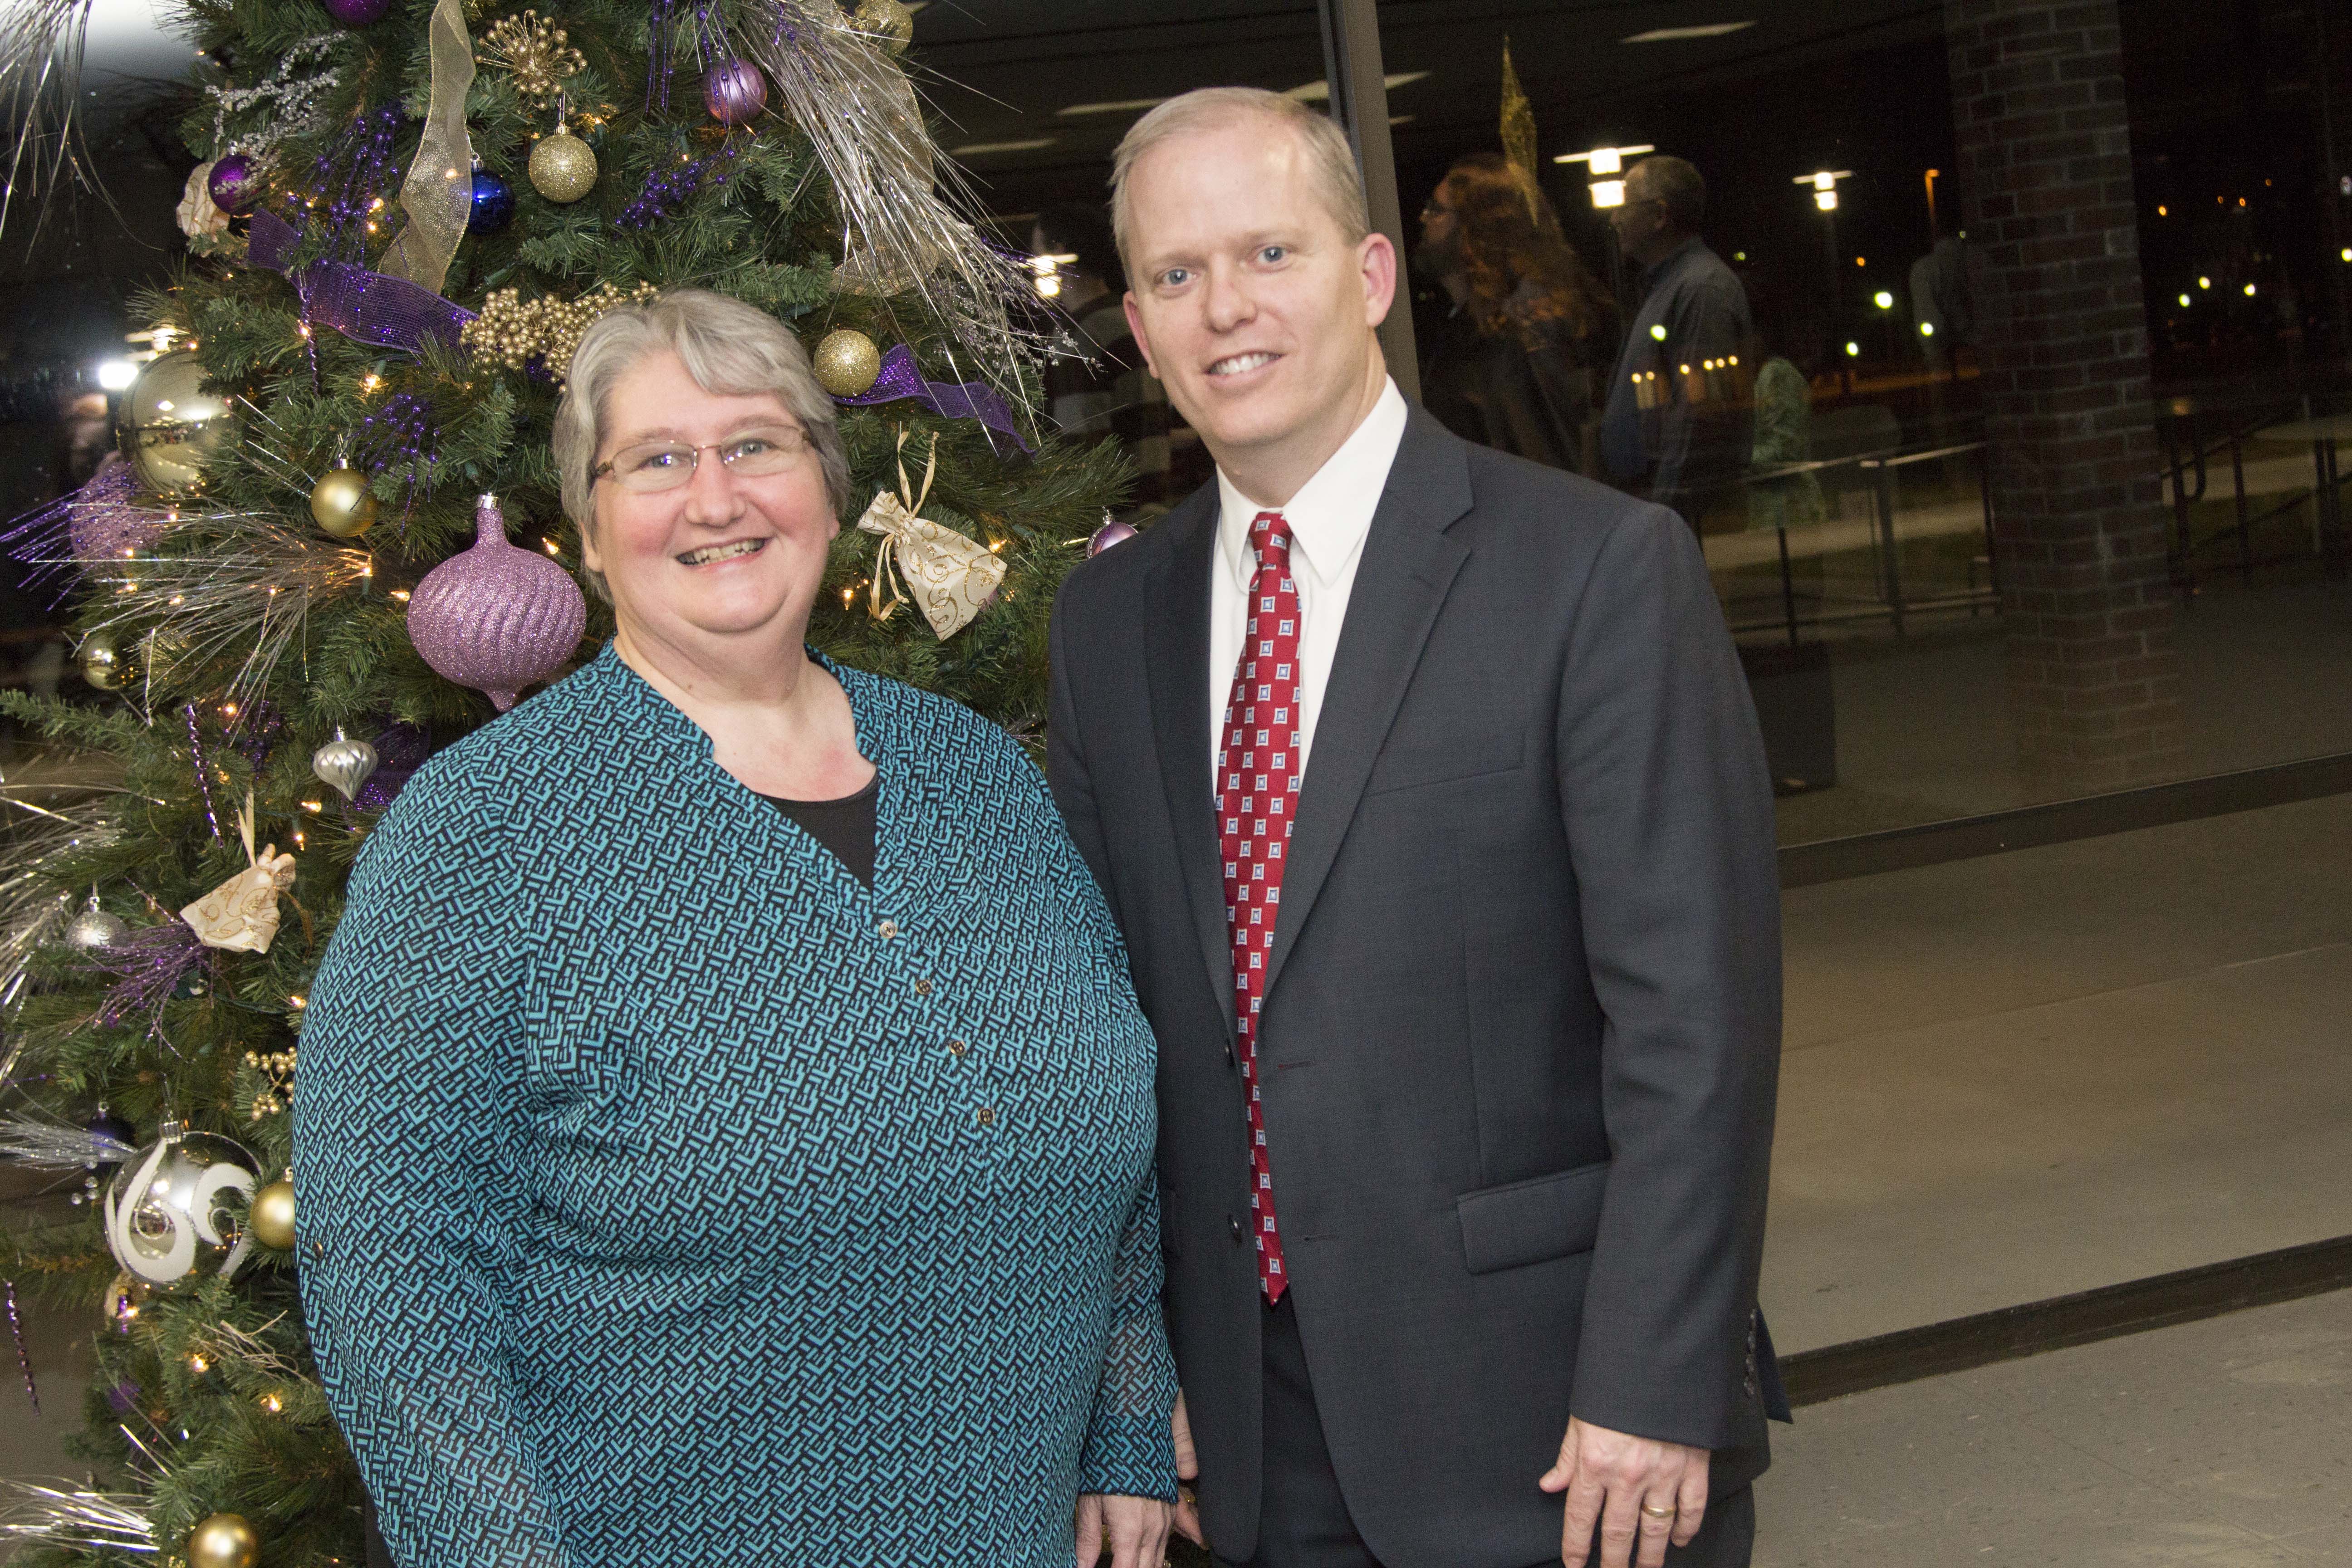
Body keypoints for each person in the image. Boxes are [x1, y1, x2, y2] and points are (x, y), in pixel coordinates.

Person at [295, 289, 1177, 1568]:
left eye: (757, 445)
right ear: (592, 534)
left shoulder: (979, 775)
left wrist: (1127, 1431)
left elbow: (1116, 1124)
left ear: (825, 488)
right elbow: (391, 1273)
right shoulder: (479, 835)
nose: (716, 499)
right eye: (657, 461)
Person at [1048, 88, 1788, 1568]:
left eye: (1269, 251)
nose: (1225, 309)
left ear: (1371, 275)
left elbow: (1692, 1017)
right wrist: (1138, 1381)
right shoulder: (1109, 620)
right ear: (1137, 328)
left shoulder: (1594, 573)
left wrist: (1651, 1377)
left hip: (1563, 1433)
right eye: (1177, 276)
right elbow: (1102, 1032)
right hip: (1251, 1447)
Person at [1414, 152, 1617, 474]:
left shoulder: (1520, 340)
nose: (1424, 219)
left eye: (1436, 210)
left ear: (1477, 228)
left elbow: (1542, 472)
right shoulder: (1478, 329)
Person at [1598, 156, 1755, 524]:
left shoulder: (1701, 289)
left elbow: (1696, 418)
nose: (1614, 218)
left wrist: (1664, 517)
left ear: (1659, 216)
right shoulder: (1671, 287)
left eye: (1625, 204)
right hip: (1654, 501)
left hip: (1674, 509)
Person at [1035, 201, 1179, 511]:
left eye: (1039, 256)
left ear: (1059, 254)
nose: (1035, 267)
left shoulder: (1078, 337)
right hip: (1158, 511)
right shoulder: (1134, 318)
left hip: (1112, 528)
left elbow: (1081, 454)